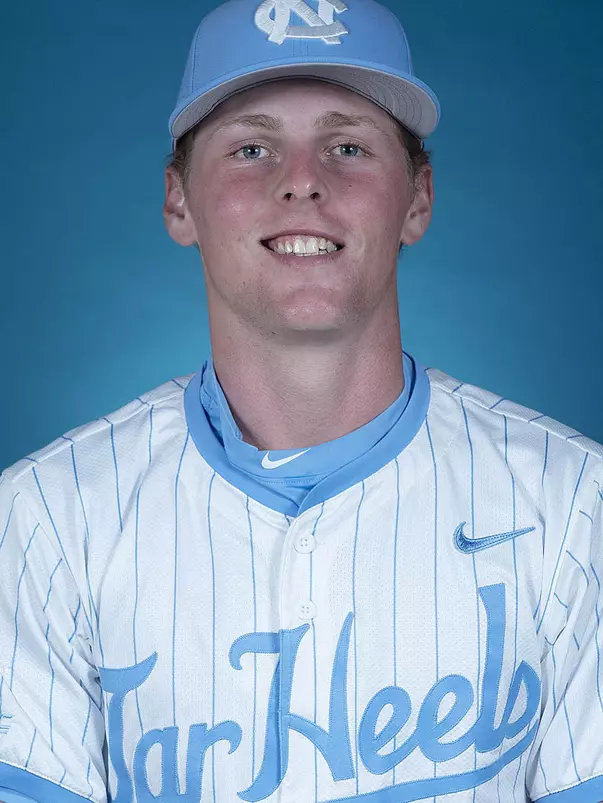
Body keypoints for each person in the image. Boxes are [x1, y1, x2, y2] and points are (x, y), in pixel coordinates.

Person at [1, 0, 602, 801]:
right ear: (178, 201)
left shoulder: (574, 510)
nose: (303, 184)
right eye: (252, 147)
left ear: (417, 200)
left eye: (346, 145)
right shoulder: (45, 519)